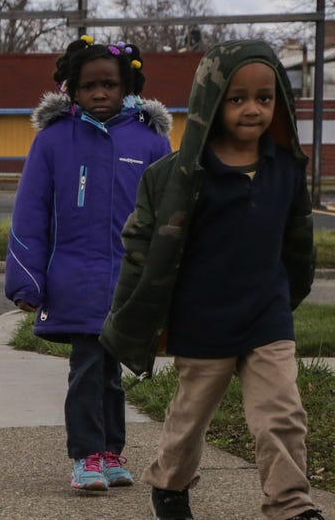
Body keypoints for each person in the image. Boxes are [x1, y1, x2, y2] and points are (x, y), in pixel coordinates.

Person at [100, 40, 324, 520]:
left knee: (281, 416)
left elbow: (297, 243)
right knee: (189, 420)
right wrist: (139, 311)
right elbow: (142, 244)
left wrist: (286, 297)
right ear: (211, 101)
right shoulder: (182, 177)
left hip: (267, 316)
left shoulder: (285, 170)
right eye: (237, 98)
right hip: (203, 321)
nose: (252, 109)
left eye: (264, 99)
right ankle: (170, 484)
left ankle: (291, 504)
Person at [4, 36, 173, 492]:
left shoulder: (151, 142)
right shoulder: (53, 140)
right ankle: (85, 455)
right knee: (86, 368)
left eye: (110, 85)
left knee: (113, 372)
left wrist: (169, 281)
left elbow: (171, 217)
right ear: (72, 89)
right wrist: (26, 278)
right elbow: (30, 211)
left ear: (127, 86)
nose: (100, 94)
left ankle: (111, 452)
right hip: (73, 281)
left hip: (127, 283)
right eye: (89, 86)